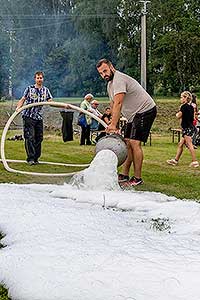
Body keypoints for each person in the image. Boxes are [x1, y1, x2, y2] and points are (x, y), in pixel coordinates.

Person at [96, 58, 157, 186]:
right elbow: (113, 105)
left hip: (145, 110)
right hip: (133, 115)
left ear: (111, 66)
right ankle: (124, 175)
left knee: (135, 143)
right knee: (127, 142)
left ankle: (137, 178)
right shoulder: (110, 85)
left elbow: (119, 103)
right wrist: (113, 124)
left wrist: (113, 125)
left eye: (105, 71)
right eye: (101, 73)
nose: (104, 75)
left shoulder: (119, 79)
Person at [16, 71, 53, 165]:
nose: (39, 79)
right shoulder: (29, 89)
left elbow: (51, 102)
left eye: (41, 78)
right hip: (28, 116)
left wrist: (64, 106)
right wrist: (18, 108)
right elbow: (23, 99)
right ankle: (31, 158)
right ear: (35, 79)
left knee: (39, 138)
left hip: (39, 117)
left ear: (43, 79)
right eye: (38, 78)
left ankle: (36, 158)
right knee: (30, 137)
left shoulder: (46, 90)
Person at [167, 91, 199, 168]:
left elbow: (178, 116)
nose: (180, 99)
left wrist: (177, 114)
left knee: (189, 144)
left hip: (186, 128)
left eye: (182, 97)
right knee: (180, 144)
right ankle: (175, 160)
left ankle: (194, 161)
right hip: (190, 127)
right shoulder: (191, 107)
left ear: (186, 98)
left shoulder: (183, 106)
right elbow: (192, 118)